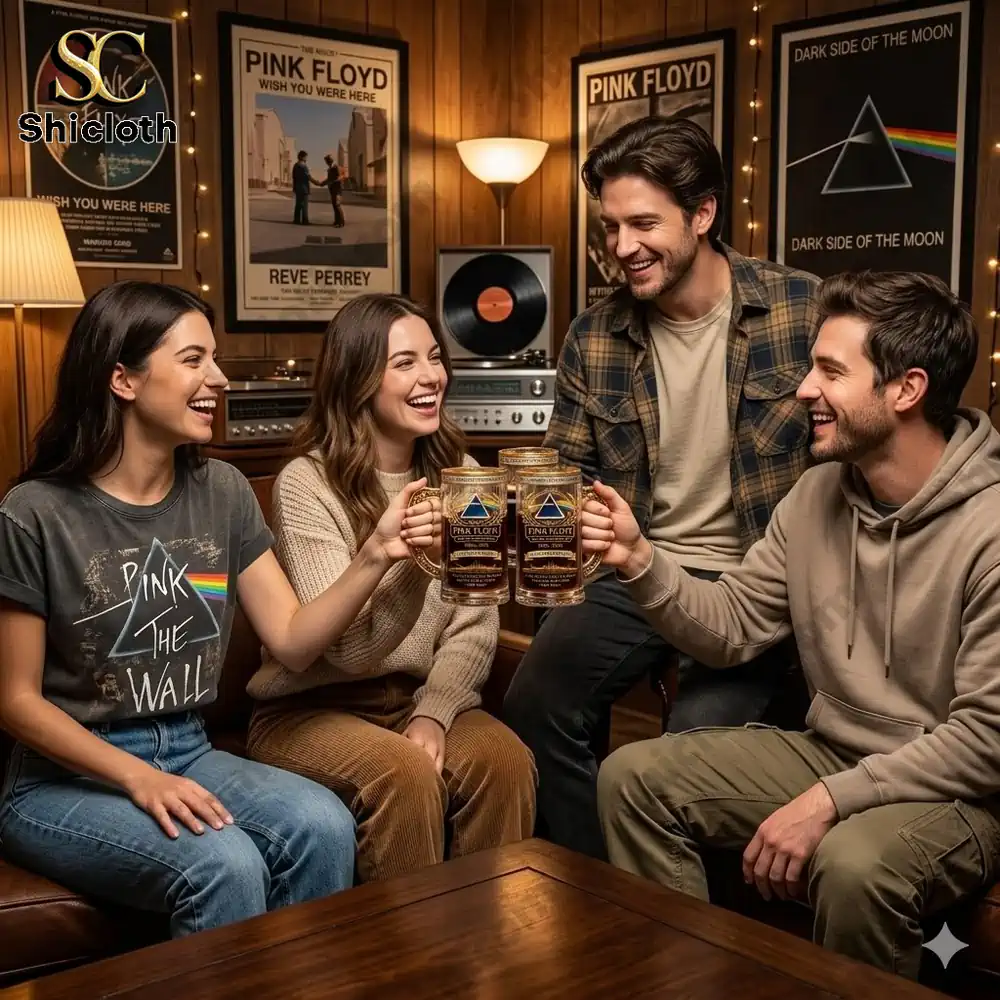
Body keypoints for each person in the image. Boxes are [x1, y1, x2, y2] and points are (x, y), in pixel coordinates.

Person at [586, 270, 1000, 980]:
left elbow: (986, 740)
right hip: (836, 751)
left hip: (960, 791)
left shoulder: (990, 528)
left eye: (831, 370)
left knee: (852, 863)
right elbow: (734, 624)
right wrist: (639, 559)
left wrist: (828, 803)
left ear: (906, 390)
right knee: (632, 778)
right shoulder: (815, 496)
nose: (803, 388)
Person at [0, 280, 438, 937]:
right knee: (223, 862)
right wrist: (136, 778)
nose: (220, 379)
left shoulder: (222, 492)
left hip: (187, 746)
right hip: (63, 779)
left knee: (323, 823)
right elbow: (17, 702)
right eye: (194, 360)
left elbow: (292, 641)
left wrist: (378, 553)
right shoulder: (35, 513)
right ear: (123, 378)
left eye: (216, 359)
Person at [502, 114, 822, 859]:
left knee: (685, 755)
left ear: (703, 213)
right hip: (632, 565)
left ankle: (694, 928)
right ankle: (596, 886)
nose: (621, 248)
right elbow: (568, 477)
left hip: (758, 578)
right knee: (533, 702)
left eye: (643, 223)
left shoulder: (802, 309)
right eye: (611, 226)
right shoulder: (595, 332)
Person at [245, 292, 537, 884]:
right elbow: (345, 652)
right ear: (357, 382)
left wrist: (434, 712)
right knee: (403, 773)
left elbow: (474, 628)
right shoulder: (308, 484)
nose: (432, 376)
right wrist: (404, 557)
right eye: (404, 363)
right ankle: (411, 969)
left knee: (506, 760)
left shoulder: (466, 477)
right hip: (311, 708)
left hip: (416, 695)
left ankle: (487, 964)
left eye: (434, 357)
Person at [323, 154, 346, 228]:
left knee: (337, 205)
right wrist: (322, 183)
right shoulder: (330, 169)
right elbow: (329, 179)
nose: (327, 162)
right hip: (332, 189)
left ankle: (341, 222)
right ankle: (336, 221)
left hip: (337, 189)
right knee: (334, 205)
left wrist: (334, 181)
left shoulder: (336, 167)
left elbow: (341, 176)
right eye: (326, 161)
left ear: (330, 160)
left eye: (327, 160)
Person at [291, 150, 313, 225]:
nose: (306, 158)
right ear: (302, 157)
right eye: (306, 157)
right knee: (304, 205)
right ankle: (305, 220)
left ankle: (296, 220)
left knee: (298, 204)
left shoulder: (295, 165)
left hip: (298, 187)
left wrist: (294, 187)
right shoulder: (304, 166)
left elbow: (294, 177)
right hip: (304, 188)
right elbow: (308, 177)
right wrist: (318, 183)